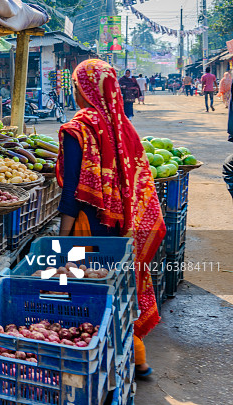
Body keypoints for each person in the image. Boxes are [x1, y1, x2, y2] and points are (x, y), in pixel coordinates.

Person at [56, 59, 166, 378]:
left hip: (86, 228)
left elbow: (73, 191)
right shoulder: (121, 125)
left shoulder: (79, 128)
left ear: (86, 90)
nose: (75, 94)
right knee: (115, 289)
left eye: (77, 87)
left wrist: (63, 240)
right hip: (119, 225)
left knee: (82, 292)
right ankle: (136, 356)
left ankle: (89, 361)